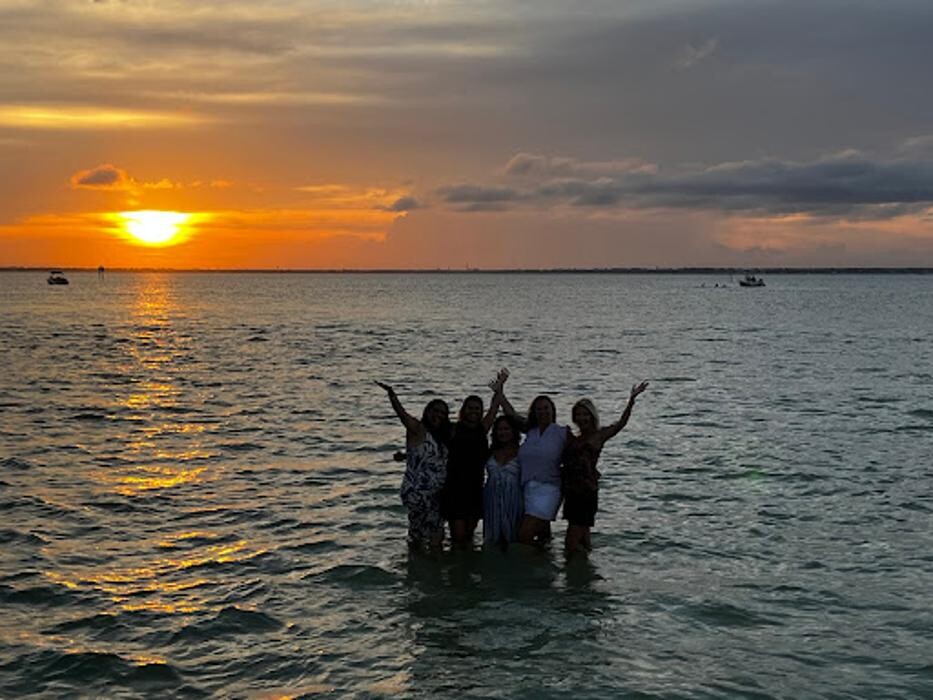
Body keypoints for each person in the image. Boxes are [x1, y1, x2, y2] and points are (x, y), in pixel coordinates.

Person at [562, 382, 649, 554]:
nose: (582, 418)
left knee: (571, 539)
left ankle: (574, 571)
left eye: (585, 414)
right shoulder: (571, 437)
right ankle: (585, 572)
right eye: (578, 415)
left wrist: (631, 400)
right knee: (584, 533)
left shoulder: (599, 435)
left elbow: (621, 423)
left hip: (587, 491)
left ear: (592, 416)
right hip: (571, 490)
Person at [376, 381, 451, 550]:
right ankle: (418, 570)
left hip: (438, 493)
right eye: (435, 411)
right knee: (419, 535)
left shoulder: (444, 435)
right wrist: (392, 395)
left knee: (436, 534)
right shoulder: (418, 428)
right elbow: (401, 414)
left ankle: (429, 570)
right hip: (418, 492)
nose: (438, 415)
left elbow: (430, 457)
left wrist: (405, 455)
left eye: (442, 413)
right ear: (427, 411)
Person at [497, 377, 570, 546]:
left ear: (552, 410)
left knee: (524, 534)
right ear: (534, 413)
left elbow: (581, 450)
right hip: (528, 488)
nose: (543, 412)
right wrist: (499, 392)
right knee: (542, 534)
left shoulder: (562, 433)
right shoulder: (531, 430)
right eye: (539, 409)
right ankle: (544, 567)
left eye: (546, 408)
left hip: (549, 488)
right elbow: (511, 415)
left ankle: (525, 569)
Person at [441, 375, 505, 547]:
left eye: (477, 409)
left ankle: (466, 569)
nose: (474, 412)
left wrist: (500, 388)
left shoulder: (482, 430)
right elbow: (431, 443)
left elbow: (494, 408)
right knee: (458, 535)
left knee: (469, 535)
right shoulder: (452, 429)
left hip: (475, 488)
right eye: (470, 408)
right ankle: (455, 569)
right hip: (454, 488)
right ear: (464, 410)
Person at [482, 414, 524, 549]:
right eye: (500, 429)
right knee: (492, 541)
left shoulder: (522, 452)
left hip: (513, 498)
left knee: (513, 541)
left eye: (507, 429)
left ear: (513, 431)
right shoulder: (490, 451)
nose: (503, 432)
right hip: (492, 498)